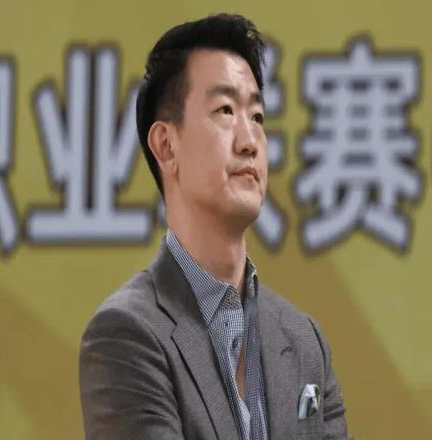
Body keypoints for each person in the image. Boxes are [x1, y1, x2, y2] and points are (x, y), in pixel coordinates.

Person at [79, 13, 351, 440]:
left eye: (257, 116)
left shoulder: (304, 341)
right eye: (225, 110)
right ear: (166, 146)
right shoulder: (127, 334)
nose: (250, 141)